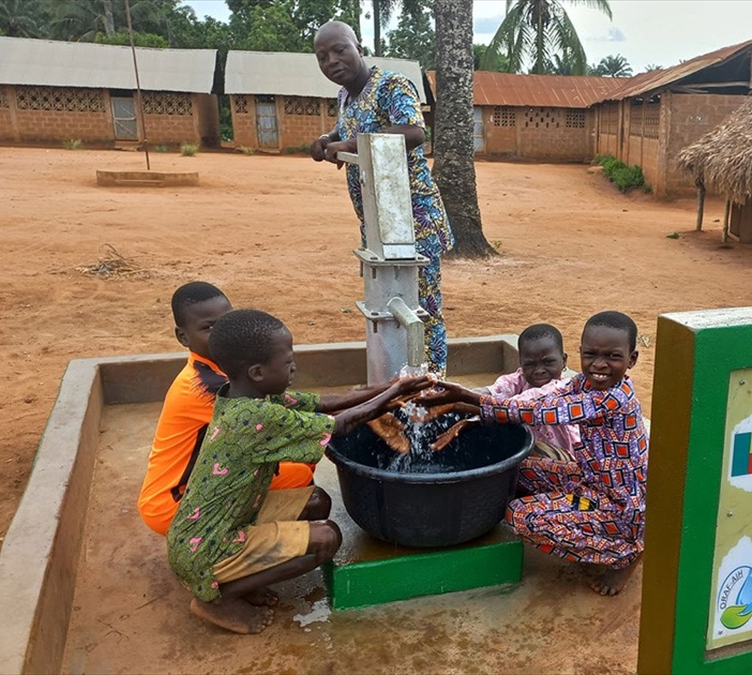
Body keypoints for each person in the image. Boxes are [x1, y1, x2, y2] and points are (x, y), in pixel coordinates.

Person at [166, 308, 433, 634]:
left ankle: (243, 579)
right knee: (326, 538)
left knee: (316, 501)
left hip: (215, 525)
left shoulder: (247, 396)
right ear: (257, 372)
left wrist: (389, 387)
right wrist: (396, 393)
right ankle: (218, 598)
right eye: (288, 362)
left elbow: (326, 403)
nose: (294, 367)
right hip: (206, 547)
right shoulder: (254, 418)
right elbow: (340, 423)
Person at [137, 282, 401, 536]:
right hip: (173, 501)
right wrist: (379, 404)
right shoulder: (205, 388)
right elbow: (297, 420)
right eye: (209, 328)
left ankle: (265, 530)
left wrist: (385, 390)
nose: (221, 334)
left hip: (202, 481)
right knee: (306, 484)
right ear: (182, 336)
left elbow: (303, 403)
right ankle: (240, 547)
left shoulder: (223, 370)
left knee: (301, 465)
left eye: (226, 322)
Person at [418, 311, 647, 596]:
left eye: (612, 356)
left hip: (618, 506)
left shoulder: (614, 398)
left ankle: (623, 552)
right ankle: (584, 524)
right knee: (518, 469)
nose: (599, 364)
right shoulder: (583, 383)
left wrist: (464, 398)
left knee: (519, 516)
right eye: (591, 354)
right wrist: (466, 410)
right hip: (590, 480)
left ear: (631, 359)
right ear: (579, 354)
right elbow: (545, 399)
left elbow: (540, 411)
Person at [309, 20, 453, 375]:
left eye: (339, 50)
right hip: (378, 224)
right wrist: (327, 139)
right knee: (388, 306)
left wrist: (349, 143)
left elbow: (414, 132)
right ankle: (396, 381)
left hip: (413, 220)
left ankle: (433, 386)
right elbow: (348, 128)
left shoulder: (391, 85)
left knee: (422, 308)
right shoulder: (345, 96)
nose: (332, 61)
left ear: (359, 49)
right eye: (322, 56)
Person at [477, 324, 580, 462]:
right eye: (530, 364)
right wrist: (472, 395)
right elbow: (498, 389)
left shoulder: (563, 388)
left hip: (566, 459)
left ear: (564, 360)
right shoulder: (521, 379)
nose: (539, 370)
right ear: (521, 363)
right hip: (532, 452)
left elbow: (522, 403)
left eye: (548, 362)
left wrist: (467, 400)